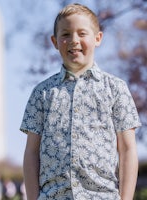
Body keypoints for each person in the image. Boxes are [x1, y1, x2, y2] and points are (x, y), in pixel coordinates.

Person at [20, 3, 141, 200]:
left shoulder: (116, 89)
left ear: (98, 38)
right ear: (55, 41)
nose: (74, 40)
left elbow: (127, 149)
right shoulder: (41, 93)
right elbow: (31, 152)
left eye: (82, 33)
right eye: (66, 34)